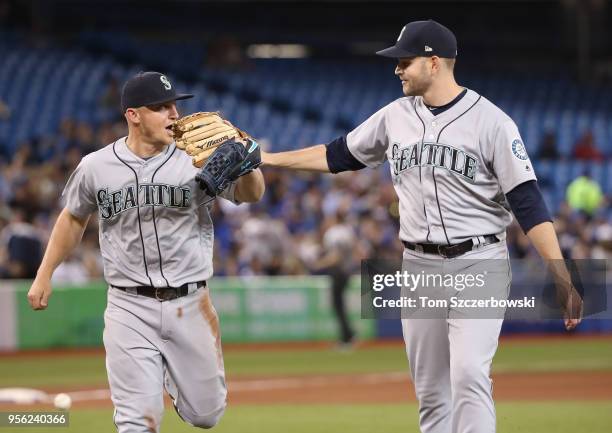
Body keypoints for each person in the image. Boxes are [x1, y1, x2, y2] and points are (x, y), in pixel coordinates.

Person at [261, 20, 581, 433]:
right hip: (419, 266)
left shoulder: (492, 123)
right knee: (431, 392)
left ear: (434, 63)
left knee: (468, 375)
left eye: (405, 61)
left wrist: (560, 273)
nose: (397, 69)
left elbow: (528, 204)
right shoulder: (395, 116)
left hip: (479, 261)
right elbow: (336, 155)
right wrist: (266, 158)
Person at [27, 71, 265, 433]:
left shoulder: (198, 156)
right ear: (133, 115)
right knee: (136, 420)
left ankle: (175, 382)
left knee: (206, 414)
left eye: (174, 105)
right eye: (160, 107)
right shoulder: (96, 166)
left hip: (190, 302)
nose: (173, 114)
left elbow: (252, 194)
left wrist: (247, 158)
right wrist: (44, 274)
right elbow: (72, 218)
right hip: (128, 305)